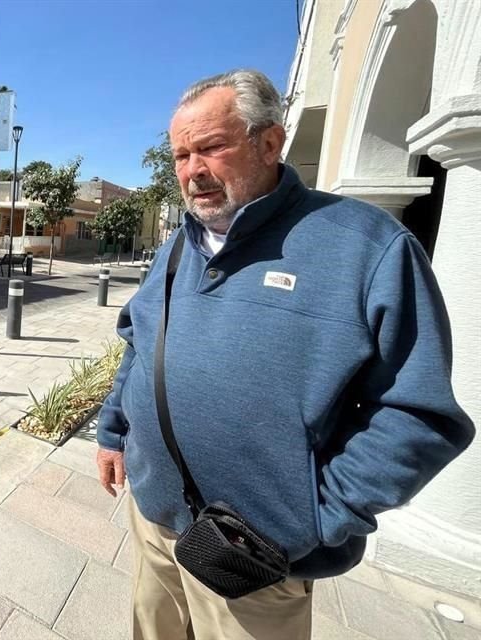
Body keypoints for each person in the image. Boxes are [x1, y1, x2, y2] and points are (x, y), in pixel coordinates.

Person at [95, 70, 474, 640]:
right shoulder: (177, 246)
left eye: (212, 147)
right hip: (154, 517)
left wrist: (315, 517)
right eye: (180, 155)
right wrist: (113, 431)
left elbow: (418, 416)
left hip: (258, 555)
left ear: (270, 142)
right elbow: (139, 341)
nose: (192, 171)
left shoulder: (366, 245)